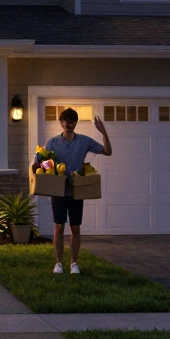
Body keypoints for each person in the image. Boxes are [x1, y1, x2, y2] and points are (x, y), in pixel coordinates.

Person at [32, 107, 112, 274]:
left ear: (75, 123)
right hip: (58, 191)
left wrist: (104, 133)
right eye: (65, 121)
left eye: (71, 121)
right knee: (59, 227)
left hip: (76, 191)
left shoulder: (84, 141)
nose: (68, 124)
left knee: (75, 228)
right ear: (61, 123)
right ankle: (58, 263)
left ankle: (74, 263)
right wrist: (45, 165)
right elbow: (39, 164)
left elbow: (107, 152)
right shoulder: (52, 142)